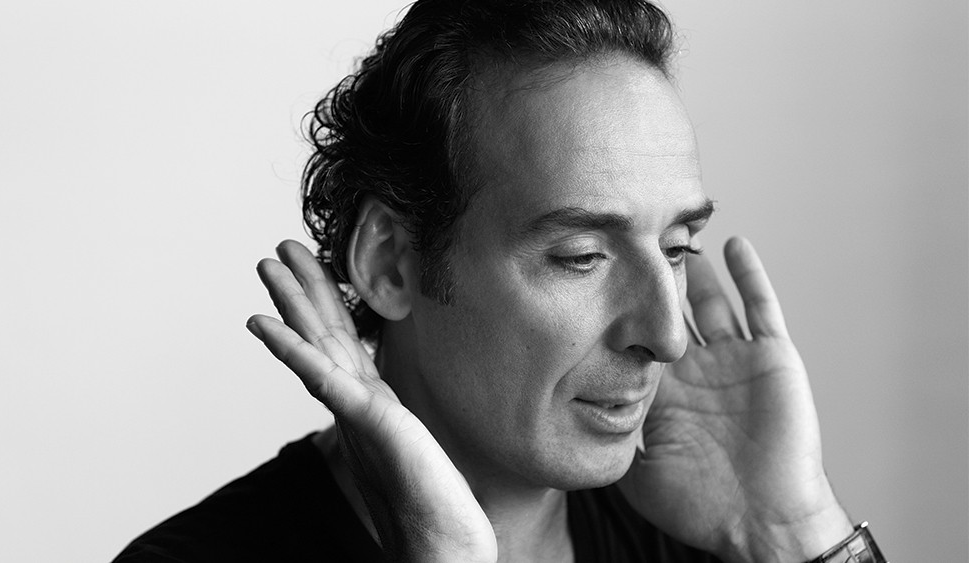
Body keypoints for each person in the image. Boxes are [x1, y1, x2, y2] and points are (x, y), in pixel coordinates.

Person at [114, 0, 888, 561]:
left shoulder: (719, 529)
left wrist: (789, 528)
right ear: (391, 263)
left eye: (678, 247)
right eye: (581, 256)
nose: (666, 334)